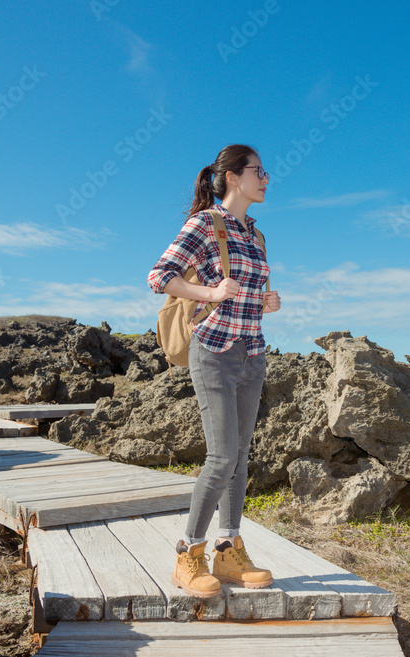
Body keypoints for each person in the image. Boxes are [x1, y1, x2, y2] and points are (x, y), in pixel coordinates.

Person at [146, 144, 280, 598]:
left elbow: (245, 292)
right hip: (214, 351)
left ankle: (228, 550)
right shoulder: (206, 223)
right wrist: (209, 292)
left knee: (240, 458)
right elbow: (160, 276)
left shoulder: (256, 235)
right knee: (222, 456)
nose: (266, 178)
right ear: (232, 177)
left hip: (252, 353)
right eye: (258, 171)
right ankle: (189, 553)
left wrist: (264, 301)